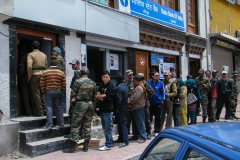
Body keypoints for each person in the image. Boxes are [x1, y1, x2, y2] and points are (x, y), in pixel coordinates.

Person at [63, 67, 96, 153]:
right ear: (88, 74)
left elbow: (73, 94)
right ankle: (86, 146)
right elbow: (95, 96)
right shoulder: (93, 82)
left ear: (81, 73)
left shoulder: (77, 81)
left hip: (80, 105)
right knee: (87, 125)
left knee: (75, 124)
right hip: (90, 104)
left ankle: (73, 147)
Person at [40, 56, 66, 129]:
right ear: (57, 64)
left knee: (49, 107)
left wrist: (43, 91)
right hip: (58, 91)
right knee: (59, 107)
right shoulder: (61, 73)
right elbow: (64, 83)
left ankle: (49, 124)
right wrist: (62, 91)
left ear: (50, 64)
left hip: (48, 92)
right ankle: (61, 124)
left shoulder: (45, 72)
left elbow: (42, 82)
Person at [96, 71, 115, 151]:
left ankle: (108, 144)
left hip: (108, 109)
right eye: (103, 77)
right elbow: (97, 94)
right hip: (102, 109)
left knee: (108, 128)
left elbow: (108, 97)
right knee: (104, 127)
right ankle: (109, 141)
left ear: (109, 77)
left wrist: (102, 96)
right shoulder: (102, 85)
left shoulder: (111, 85)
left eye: (106, 77)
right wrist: (101, 96)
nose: (105, 79)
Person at [27, 41, 47, 117]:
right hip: (43, 75)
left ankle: (40, 112)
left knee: (36, 94)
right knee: (42, 93)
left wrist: (29, 76)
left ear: (32, 47)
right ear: (39, 47)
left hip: (34, 75)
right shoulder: (44, 55)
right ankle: (45, 110)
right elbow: (46, 65)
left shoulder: (31, 54)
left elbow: (29, 66)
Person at [128, 75, 147, 143]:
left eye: (134, 80)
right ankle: (135, 135)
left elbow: (135, 98)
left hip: (138, 107)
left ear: (136, 80)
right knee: (135, 123)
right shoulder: (137, 87)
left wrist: (129, 102)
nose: (133, 81)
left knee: (140, 122)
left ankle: (143, 136)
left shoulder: (139, 88)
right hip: (134, 107)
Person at [138, 73, 155, 140]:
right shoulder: (137, 83)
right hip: (139, 104)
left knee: (147, 118)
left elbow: (152, 92)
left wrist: (146, 98)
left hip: (145, 103)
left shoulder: (145, 84)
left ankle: (148, 133)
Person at [114, 73, 129, 148]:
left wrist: (116, 108)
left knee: (122, 124)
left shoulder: (119, 87)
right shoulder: (125, 86)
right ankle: (121, 138)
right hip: (124, 106)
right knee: (120, 124)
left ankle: (125, 140)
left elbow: (118, 99)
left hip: (120, 107)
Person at [148, 72, 165, 136]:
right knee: (149, 117)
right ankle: (148, 131)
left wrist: (162, 99)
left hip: (158, 103)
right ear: (152, 76)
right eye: (156, 75)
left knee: (158, 117)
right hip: (150, 103)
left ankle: (157, 130)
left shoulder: (160, 83)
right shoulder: (149, 82)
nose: (157, 77)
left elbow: (163, 92)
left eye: (158, 75)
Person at [19, 48, 32, 116]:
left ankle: (28, 112)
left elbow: (22, 69)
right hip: (33, 76)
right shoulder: (32, 56)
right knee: (33, 94)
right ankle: (34, 111)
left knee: (25, 94)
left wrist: (20, 77)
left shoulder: (23, 58)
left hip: (25, 76)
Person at [124, 69, 134, 134]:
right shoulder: (125, 82)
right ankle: (127, 131)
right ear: (127, 75)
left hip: (135, 101)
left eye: (131, 74)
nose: (131, 75)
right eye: (129, 74)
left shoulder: (135, 81)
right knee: (128, 117)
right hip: (128, 101)